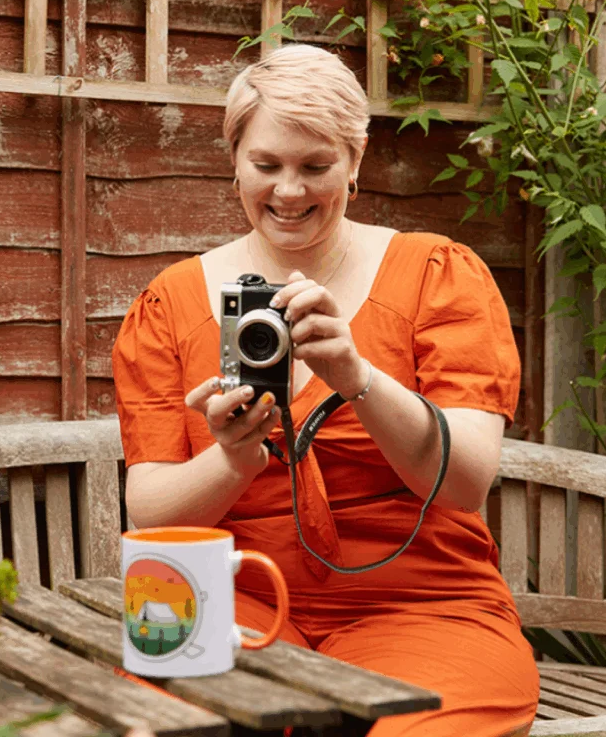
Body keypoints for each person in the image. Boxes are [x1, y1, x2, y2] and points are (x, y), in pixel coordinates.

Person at [112, 43, 539, 737]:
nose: (289, 191)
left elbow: (466, 482)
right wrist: (232, 458)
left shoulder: (437, 275)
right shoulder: (173, 301)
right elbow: (152, 516)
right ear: (234, 162)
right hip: (231, 600)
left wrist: (358, 377)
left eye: (316, 167)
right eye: (266, 165)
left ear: (357, 161)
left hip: (425, 608)